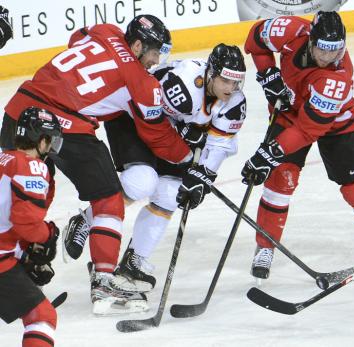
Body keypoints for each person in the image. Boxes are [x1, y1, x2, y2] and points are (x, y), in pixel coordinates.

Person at [0, 14, 193, 315]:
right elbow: (158, 136)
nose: (157, 61)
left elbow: (77, 39)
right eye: (155, 52)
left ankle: (11, 271)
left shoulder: (105, 31)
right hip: (63, 126)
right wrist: (187, 159)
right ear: (139, 45)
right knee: (108, 198)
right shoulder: (142, 83)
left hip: (18, 110)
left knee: (22, 196)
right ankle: (103, 279)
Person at [63, 44, 248, 292]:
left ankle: (133, 261)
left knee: (171, 194)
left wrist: (203, 175)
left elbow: (219, 145)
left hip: (169, 138)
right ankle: (86, 219)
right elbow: (149, 113)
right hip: (133, 120)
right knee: (142, 181)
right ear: (211, 73)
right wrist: (181, 133)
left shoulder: (234, 103)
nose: (231, 88)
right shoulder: (184, 84)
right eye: (226, 80)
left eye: (236, 83)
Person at [241, 11, 354, 280]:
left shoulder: (337, 77)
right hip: (288, 114)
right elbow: (255, 40)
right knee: (279, 180)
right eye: (323, 50)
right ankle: (265, 247)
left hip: (335, 125)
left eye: (336, 51)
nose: (329, 58)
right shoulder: (292, 30)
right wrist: (268, 74)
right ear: (311, 40)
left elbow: (308, 130)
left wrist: (269, 152)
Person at [0, 107, 63, 347]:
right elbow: (25, 221)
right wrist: (47, 237)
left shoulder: (4, 157)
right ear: (42, 139)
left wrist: (24, 255)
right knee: (42, 316)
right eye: (51, 140)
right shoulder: (31, 166)